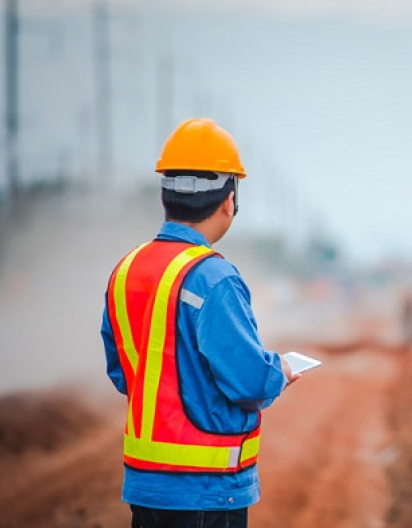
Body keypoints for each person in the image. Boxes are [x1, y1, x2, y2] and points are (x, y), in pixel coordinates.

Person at [101, 118, 299, 528]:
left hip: (144, 490)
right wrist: (277, 372)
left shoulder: (126, 271)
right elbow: (248, 384)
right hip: (209, 493)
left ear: (164, 198)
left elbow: (126, 374)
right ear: (230, 200)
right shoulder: (214, 279)